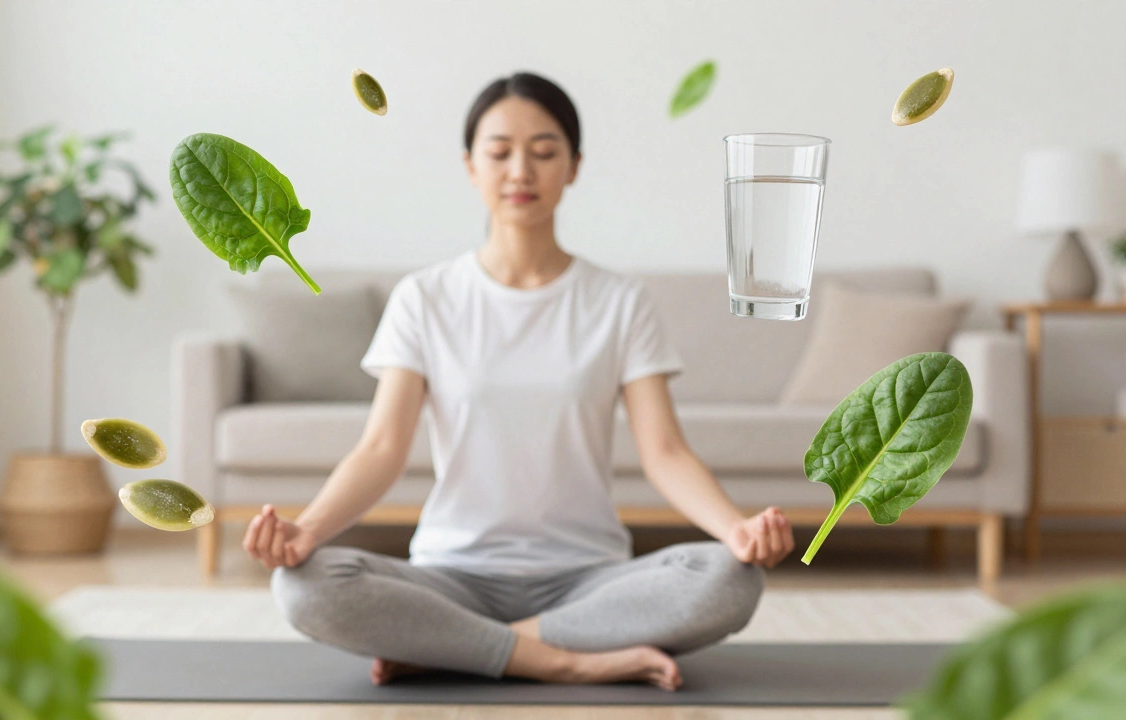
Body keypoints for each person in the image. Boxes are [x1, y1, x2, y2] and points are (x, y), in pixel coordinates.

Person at [243, 71, 794, 691]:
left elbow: (664, 453)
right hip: (451, 577)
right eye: (500, 152)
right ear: (470, 166)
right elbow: (381, 449)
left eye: (544, 151)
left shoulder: (620, 301)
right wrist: (306, 531)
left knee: (728, 577)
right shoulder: (423, 298)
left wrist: (736, 530)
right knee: (304, 587)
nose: (520, 171)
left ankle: (456, 649)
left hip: (588, 578)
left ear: (575, 166)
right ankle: (565, 659)